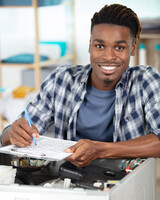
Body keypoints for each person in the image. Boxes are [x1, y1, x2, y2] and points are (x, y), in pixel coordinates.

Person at [1, 4, 160, 169]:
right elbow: (14, 132)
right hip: (68, 180)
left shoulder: (145, 80)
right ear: (90, 45)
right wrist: (12, 133)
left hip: (125, 183)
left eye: (119, 48)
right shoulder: (61, 79)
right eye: (100, 46)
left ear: (132, 48)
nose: (108, 57)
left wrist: (100, 150)